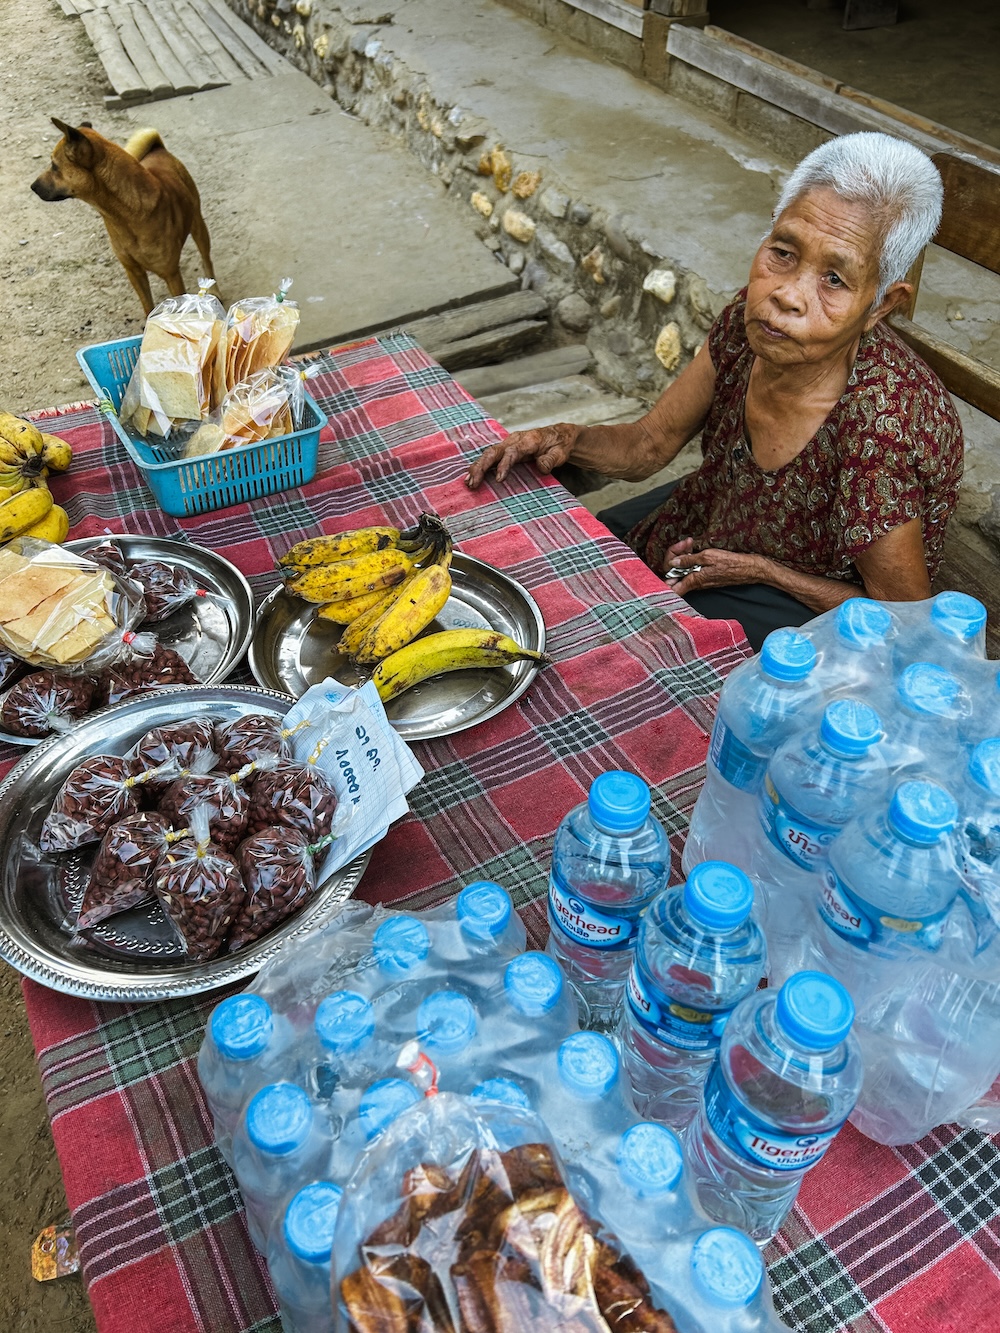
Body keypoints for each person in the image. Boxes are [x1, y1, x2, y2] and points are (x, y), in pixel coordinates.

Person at [466, 133, 963, 651]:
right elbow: (650, 443)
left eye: (834, 279)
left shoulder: (880, 431)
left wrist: (766, 573)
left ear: (882, 306)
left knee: (642, 650)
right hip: (720, 514)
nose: (787, 295)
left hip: (814, 597)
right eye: (783, 252)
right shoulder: (748, 325)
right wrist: (565, 436)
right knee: (571, 567)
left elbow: (906, 620)